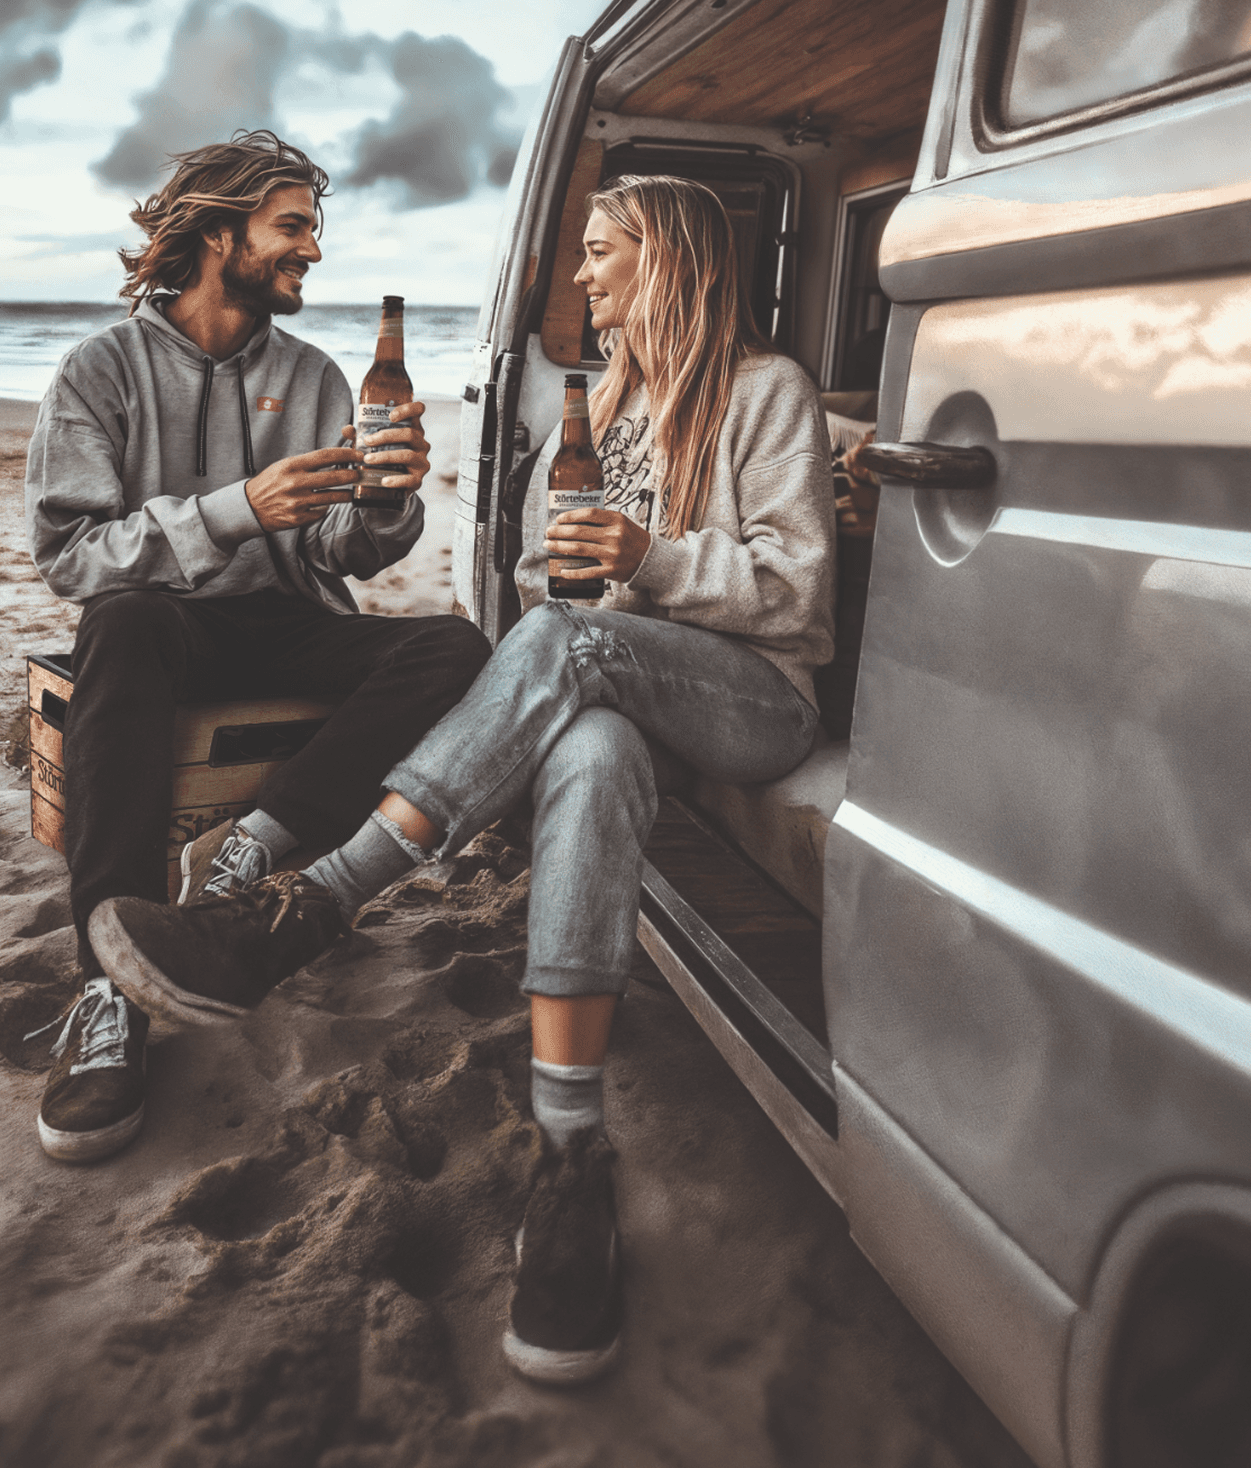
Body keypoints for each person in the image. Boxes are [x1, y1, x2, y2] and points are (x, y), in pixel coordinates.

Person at [91, 174, 836, 1385]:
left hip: (756, 700)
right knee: (590, 746)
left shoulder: (769, 392)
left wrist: (653, 555)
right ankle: (571, 1150)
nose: (583, 279)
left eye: (603, 254)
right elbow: (553, 572)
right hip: (630, 681)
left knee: (558, 649)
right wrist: (583, 551)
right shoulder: (618, 401)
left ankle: (316, 899)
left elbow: (799, 593)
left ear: (673, 261)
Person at [24, 130, 491, 1166]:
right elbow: (73, 554)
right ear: (218, 229)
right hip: (161, 625)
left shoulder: (319, 375)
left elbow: (343, 551)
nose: (311, 251)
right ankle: (108, 995)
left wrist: (385, 503)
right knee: (122, 618)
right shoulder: (101, 370)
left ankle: (254, 853)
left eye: (313, 230)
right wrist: (238, 507)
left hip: (288, 619)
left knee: (455, 646)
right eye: (292, 227)